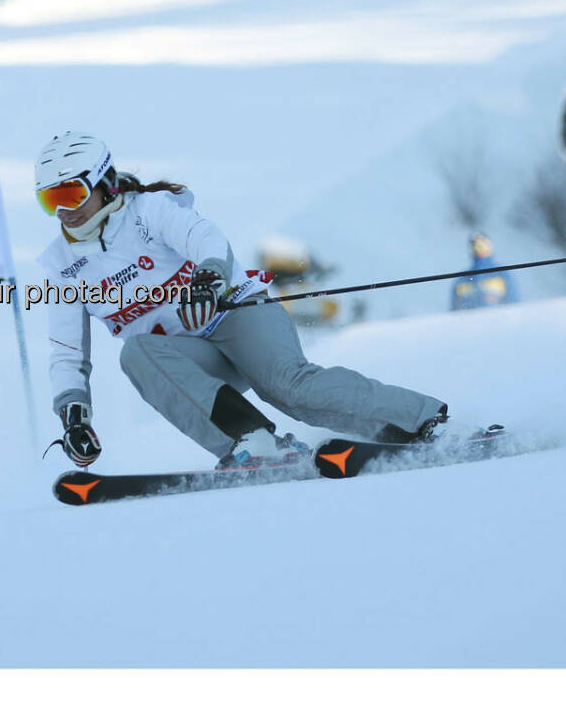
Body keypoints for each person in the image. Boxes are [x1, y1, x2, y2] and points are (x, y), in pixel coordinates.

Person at [33, 131, 449, 470]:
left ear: (104, 184)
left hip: (236, 318)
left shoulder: (149, 211)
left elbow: (205, 237)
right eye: (50, 199)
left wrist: (208, 275)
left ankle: (424, 423)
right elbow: (66, 352)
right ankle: (254, 443)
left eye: (70, 192)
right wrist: (74, 415)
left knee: (290, 390)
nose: (64, 210)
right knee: (136, 354)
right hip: (190, 357)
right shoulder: (61, 265)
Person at [450, 232, 518, 311]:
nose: (478, 247)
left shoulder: (502, 274)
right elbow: (454, 311)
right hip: (469, 322)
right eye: (474, 244)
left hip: (498, 321)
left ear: (490, 246)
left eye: (483, 243)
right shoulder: (461, 280)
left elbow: (514, 304)